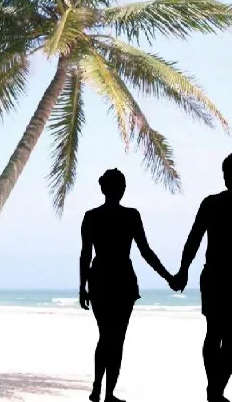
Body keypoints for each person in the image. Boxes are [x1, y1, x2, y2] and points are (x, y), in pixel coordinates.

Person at [79, 168, 173, 402]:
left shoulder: (91, 217)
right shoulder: (131, 216)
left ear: (103, 188)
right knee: (116, 338)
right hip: (121, 280)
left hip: (99, 279)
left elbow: (85, 255)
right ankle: (108, 392)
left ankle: (98, 387)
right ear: (120, 189)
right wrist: (168, 277)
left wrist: (82, 287)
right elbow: (146, 252)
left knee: (105, 336)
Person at [173, 153, 232, 402]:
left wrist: (183, 270)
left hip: (213, 276)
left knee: (214, 333)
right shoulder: (212, 203)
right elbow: (194, 239)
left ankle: (214, 389)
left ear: (225, 176)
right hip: (226, 278)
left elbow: (193, 240)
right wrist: (184, 269)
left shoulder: (211, 203)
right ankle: (215, 390)